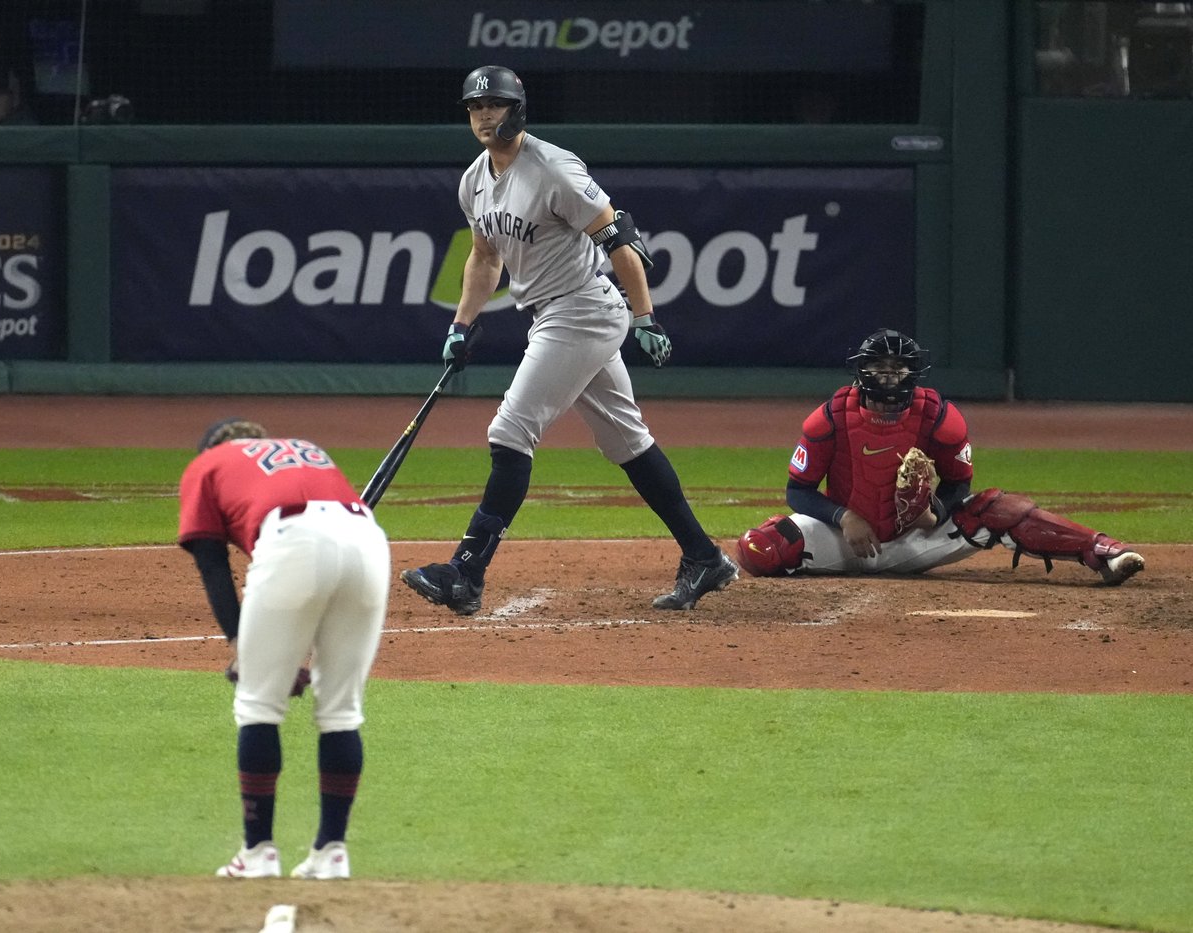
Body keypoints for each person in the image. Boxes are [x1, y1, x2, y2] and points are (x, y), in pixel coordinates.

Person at [400, 64, 737, 616]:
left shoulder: (554, 168)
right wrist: (460, 325)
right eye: (475, 107)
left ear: (517, 109)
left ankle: (465, 573)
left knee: (510, 431)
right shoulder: (474, 180)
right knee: (626, 441)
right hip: (551, 314)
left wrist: (645, 316)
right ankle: (704, 556)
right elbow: (484, 257)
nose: (484, 115)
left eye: (494, 104)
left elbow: (618, 236)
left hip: (582, 309)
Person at [735, 328, 1146, 585]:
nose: (889, 376)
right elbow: (798, 491)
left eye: (898, 368)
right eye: (879, 367)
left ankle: (1102, 552)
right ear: (863, 372)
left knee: (995, 507)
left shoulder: (938, 417)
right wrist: (845, 518)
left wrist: (935, 511)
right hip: (845, 540)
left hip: (915, 539)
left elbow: (958, 482)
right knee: (757, 547)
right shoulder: (829, 419)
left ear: (912, 373)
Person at [178, 417, 390, 880]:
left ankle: (258, 853)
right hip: (369, 543)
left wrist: (243, 646)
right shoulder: (305, 448)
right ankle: (331, 852)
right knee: (341, 712)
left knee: (258, 705)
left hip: (291, 540)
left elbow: (212, 563)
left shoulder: (207, 464)